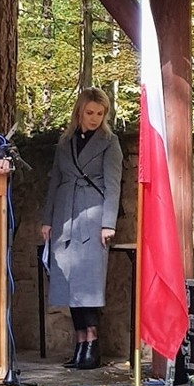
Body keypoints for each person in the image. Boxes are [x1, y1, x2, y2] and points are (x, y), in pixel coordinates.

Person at [40, 87, 123, 370]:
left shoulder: (110, 143)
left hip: (93, 217)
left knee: (88, 287)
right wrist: (47, 220)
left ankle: (92, 347)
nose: (94, 118)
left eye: (100, 114)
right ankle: (79, 345)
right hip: (65, 215)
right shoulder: (65, 143)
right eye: (89, 113)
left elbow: (114, 186)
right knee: (69, 286)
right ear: (79, 112)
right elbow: (54, 182)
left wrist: (108, 223)